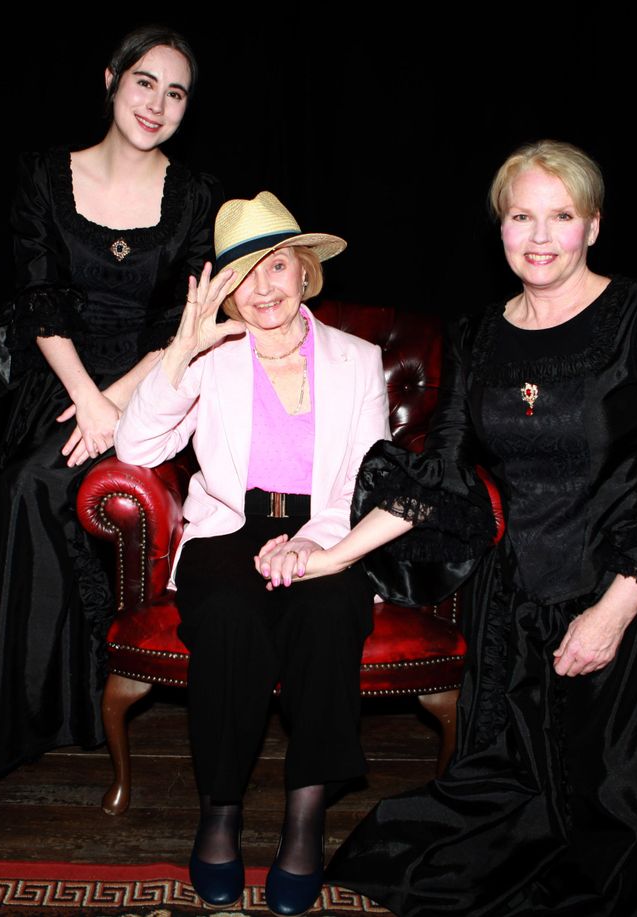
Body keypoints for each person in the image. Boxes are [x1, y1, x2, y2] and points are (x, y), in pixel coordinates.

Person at [257, 141, 637, 916]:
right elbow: (445, 478)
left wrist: (612, 614)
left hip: (632, 600)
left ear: (592, 225)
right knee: (454, 839)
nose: (540, 235)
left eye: (561, 216)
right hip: (518, 612)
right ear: (500, 227)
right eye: (522, 215)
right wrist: (331, 554)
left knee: (609, 849)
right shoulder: (481, 335)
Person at [0, 25, 219, 778]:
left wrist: (118, 404)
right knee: (29, 480)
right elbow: (38, 299)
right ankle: (31, 703)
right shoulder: (41, 175)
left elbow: (182, 327)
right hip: (58, 373)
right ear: (110, 80)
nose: (157, 105)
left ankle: (77, 692)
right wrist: (86, 401)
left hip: (151, 381)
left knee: (52, 481)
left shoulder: (194, 197)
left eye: (176, 93)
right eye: (144, 83)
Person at [115, 191, 390, 914]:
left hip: (326, 527)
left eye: (276, 267)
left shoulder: (359, 360)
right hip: (228, 530)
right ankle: (222, 810)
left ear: (304, 272)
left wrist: (312, 544)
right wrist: (183, 348)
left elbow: (368, 480)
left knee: (329, 613)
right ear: (223, 293)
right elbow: (137, 447)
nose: (262, 288)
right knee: (231, 616)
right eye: (242, 276)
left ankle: (305, 820)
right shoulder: (213, 357)